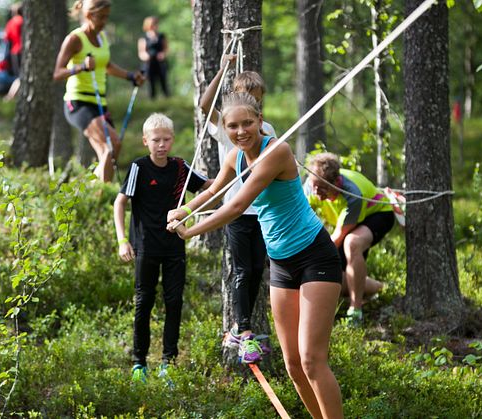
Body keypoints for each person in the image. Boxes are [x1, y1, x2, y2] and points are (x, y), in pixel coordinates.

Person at [167, 93, 343, 418]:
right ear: (225, 128)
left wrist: (190, 231)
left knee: (311, 360)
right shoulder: (235, 156)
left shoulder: (276, 151)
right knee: (292, 364)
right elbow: (213, 191)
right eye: (233, 125)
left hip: (315, 257)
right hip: (281, 264)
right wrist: (183, 209)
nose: (241, 130)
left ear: (260, 121)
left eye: (247, 123)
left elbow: (235, 206)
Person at [114, 113, 212, 383]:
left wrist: (239, 176)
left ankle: (168, 361)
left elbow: (208, 186)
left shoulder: (180, 167)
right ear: (146, 141)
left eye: (166, 139)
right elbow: (119, 203)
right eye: (156, 140)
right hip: (145, 247)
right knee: (143, 303)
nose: (161, 145)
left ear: (172, 140)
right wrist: (123, 240)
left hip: (174, 246)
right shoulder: (139, 167)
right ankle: (139, 363)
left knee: (174, 302)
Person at [199, 54, 276, 363]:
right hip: (237, 211)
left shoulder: (266, 127)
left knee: (259, 268)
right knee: (243, 270)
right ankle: (241, 330)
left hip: (263, 210)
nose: (253, 109)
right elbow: (205, 105)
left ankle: (243, 329)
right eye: (248, 100)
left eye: (257, 103)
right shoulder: (227, 124)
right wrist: (222, 70)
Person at [53, 0, 145, 182]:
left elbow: (106, 65)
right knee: (113, 144)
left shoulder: (102, 37)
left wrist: (130, 76)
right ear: (88, 15)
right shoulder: (75, 39)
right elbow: (57, 73)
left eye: (107, 17)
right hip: (78, 102)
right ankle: (100, 194)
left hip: (99, 103)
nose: (104, 21)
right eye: (101, 17)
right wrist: (81, 67)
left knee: (108, 152)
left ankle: (95, 195)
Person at [304, 152, 394, 327]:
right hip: (345, 223)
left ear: (336, 182)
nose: (316, 192)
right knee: (338, 276)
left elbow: (339, 236)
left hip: (378, 215)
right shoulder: (310, 186)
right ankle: (380, 287)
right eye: (314, 186)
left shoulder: (351, 193)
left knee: (351, 243)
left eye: (322, 188)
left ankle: (356, 309)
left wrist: (313, 259)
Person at [137, 16, 169, 99]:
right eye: (153, 24)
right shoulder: (143, 38)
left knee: (164, 83)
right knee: (151, 84)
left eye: (156, 23)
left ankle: (167, 100)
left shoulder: (161, 36)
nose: (155, 25)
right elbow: (141, 53)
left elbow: (166, 49)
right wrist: (146, 56)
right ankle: (152, 101)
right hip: (149, 64)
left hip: (160, 64)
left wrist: (163, 55)